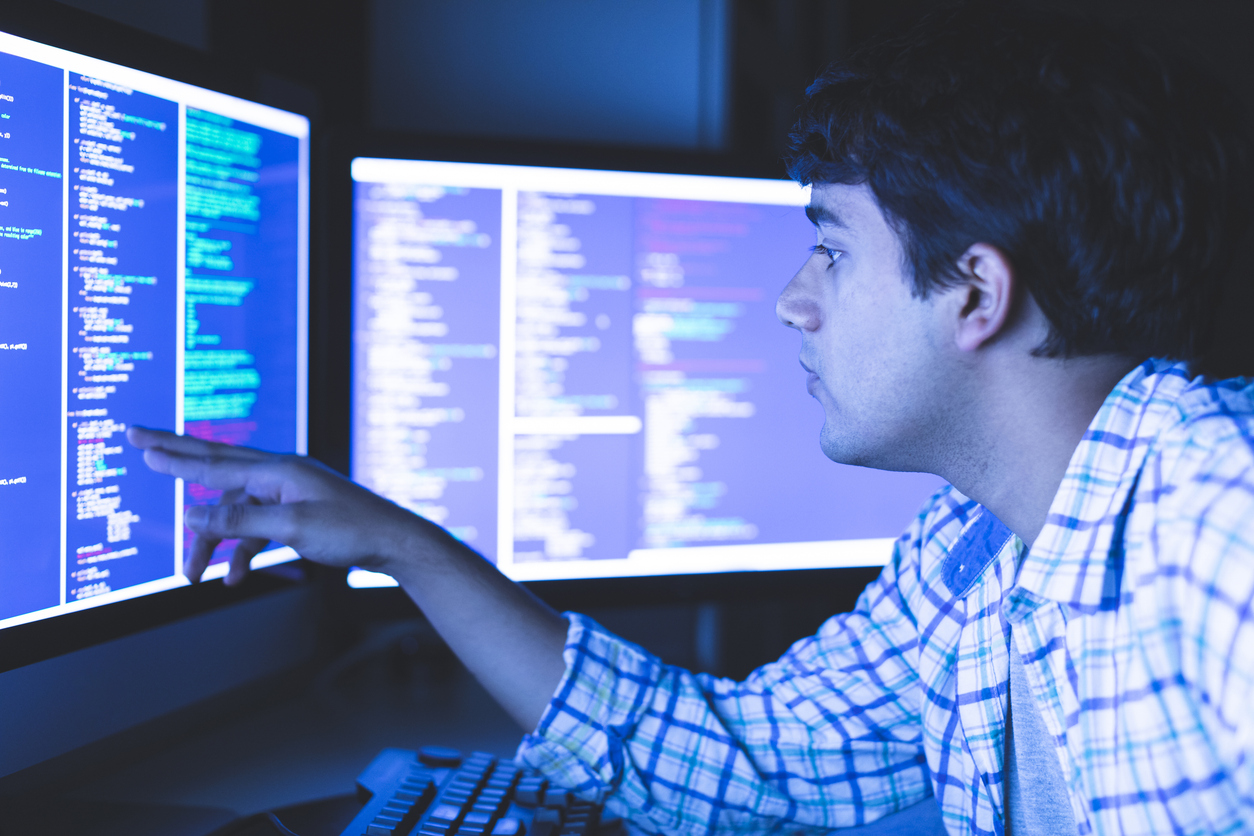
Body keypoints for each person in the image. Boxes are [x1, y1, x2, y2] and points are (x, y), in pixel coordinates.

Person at [128, 4, 1254, 834]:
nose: (790, 300)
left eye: (829, 247)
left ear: (975, 291)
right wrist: (402, 545)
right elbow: (745, 766)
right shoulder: (970, 552)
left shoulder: (1220, 519)